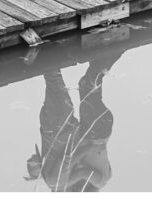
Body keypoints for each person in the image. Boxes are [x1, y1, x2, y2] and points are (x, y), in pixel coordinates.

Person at [24, 56, 119, 192]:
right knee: (81, 84)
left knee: (81, 84)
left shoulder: (58, 183)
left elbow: (69, 160)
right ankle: (110, 52)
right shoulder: (97, 181)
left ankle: (107, 52)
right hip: (88, 130)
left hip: (67, 128)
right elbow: (71, 162)